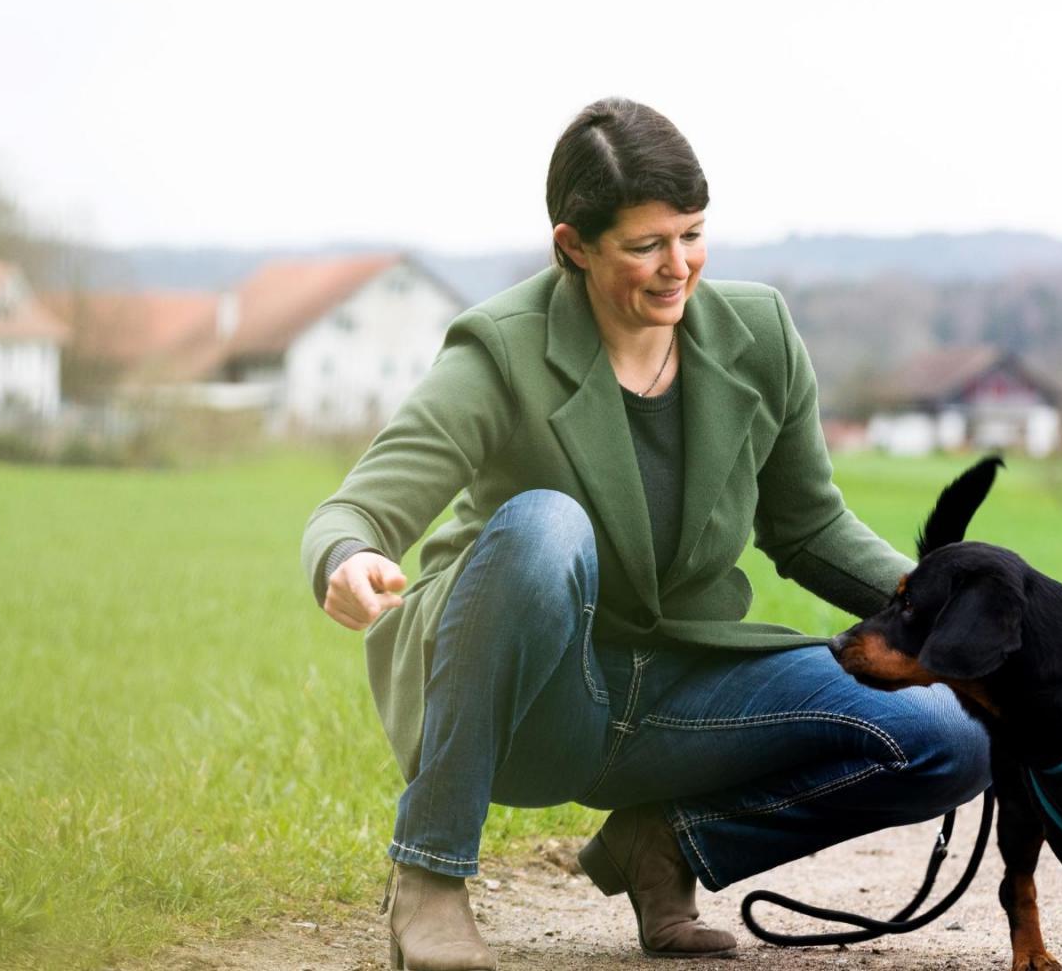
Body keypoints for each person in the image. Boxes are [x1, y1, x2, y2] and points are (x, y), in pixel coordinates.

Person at [301, 98, 990, 970]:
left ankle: (664, 846)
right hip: (534, 705)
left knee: (955, 733)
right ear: (573, 246)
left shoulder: (759, 336)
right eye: (645, 246)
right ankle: (429, 873)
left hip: (683, 695)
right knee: (545, 524)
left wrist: (961, 619)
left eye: (692, 235)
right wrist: (349, 556)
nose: (678, 268)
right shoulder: (501, 352)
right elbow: (354, 511)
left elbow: (810, 526)